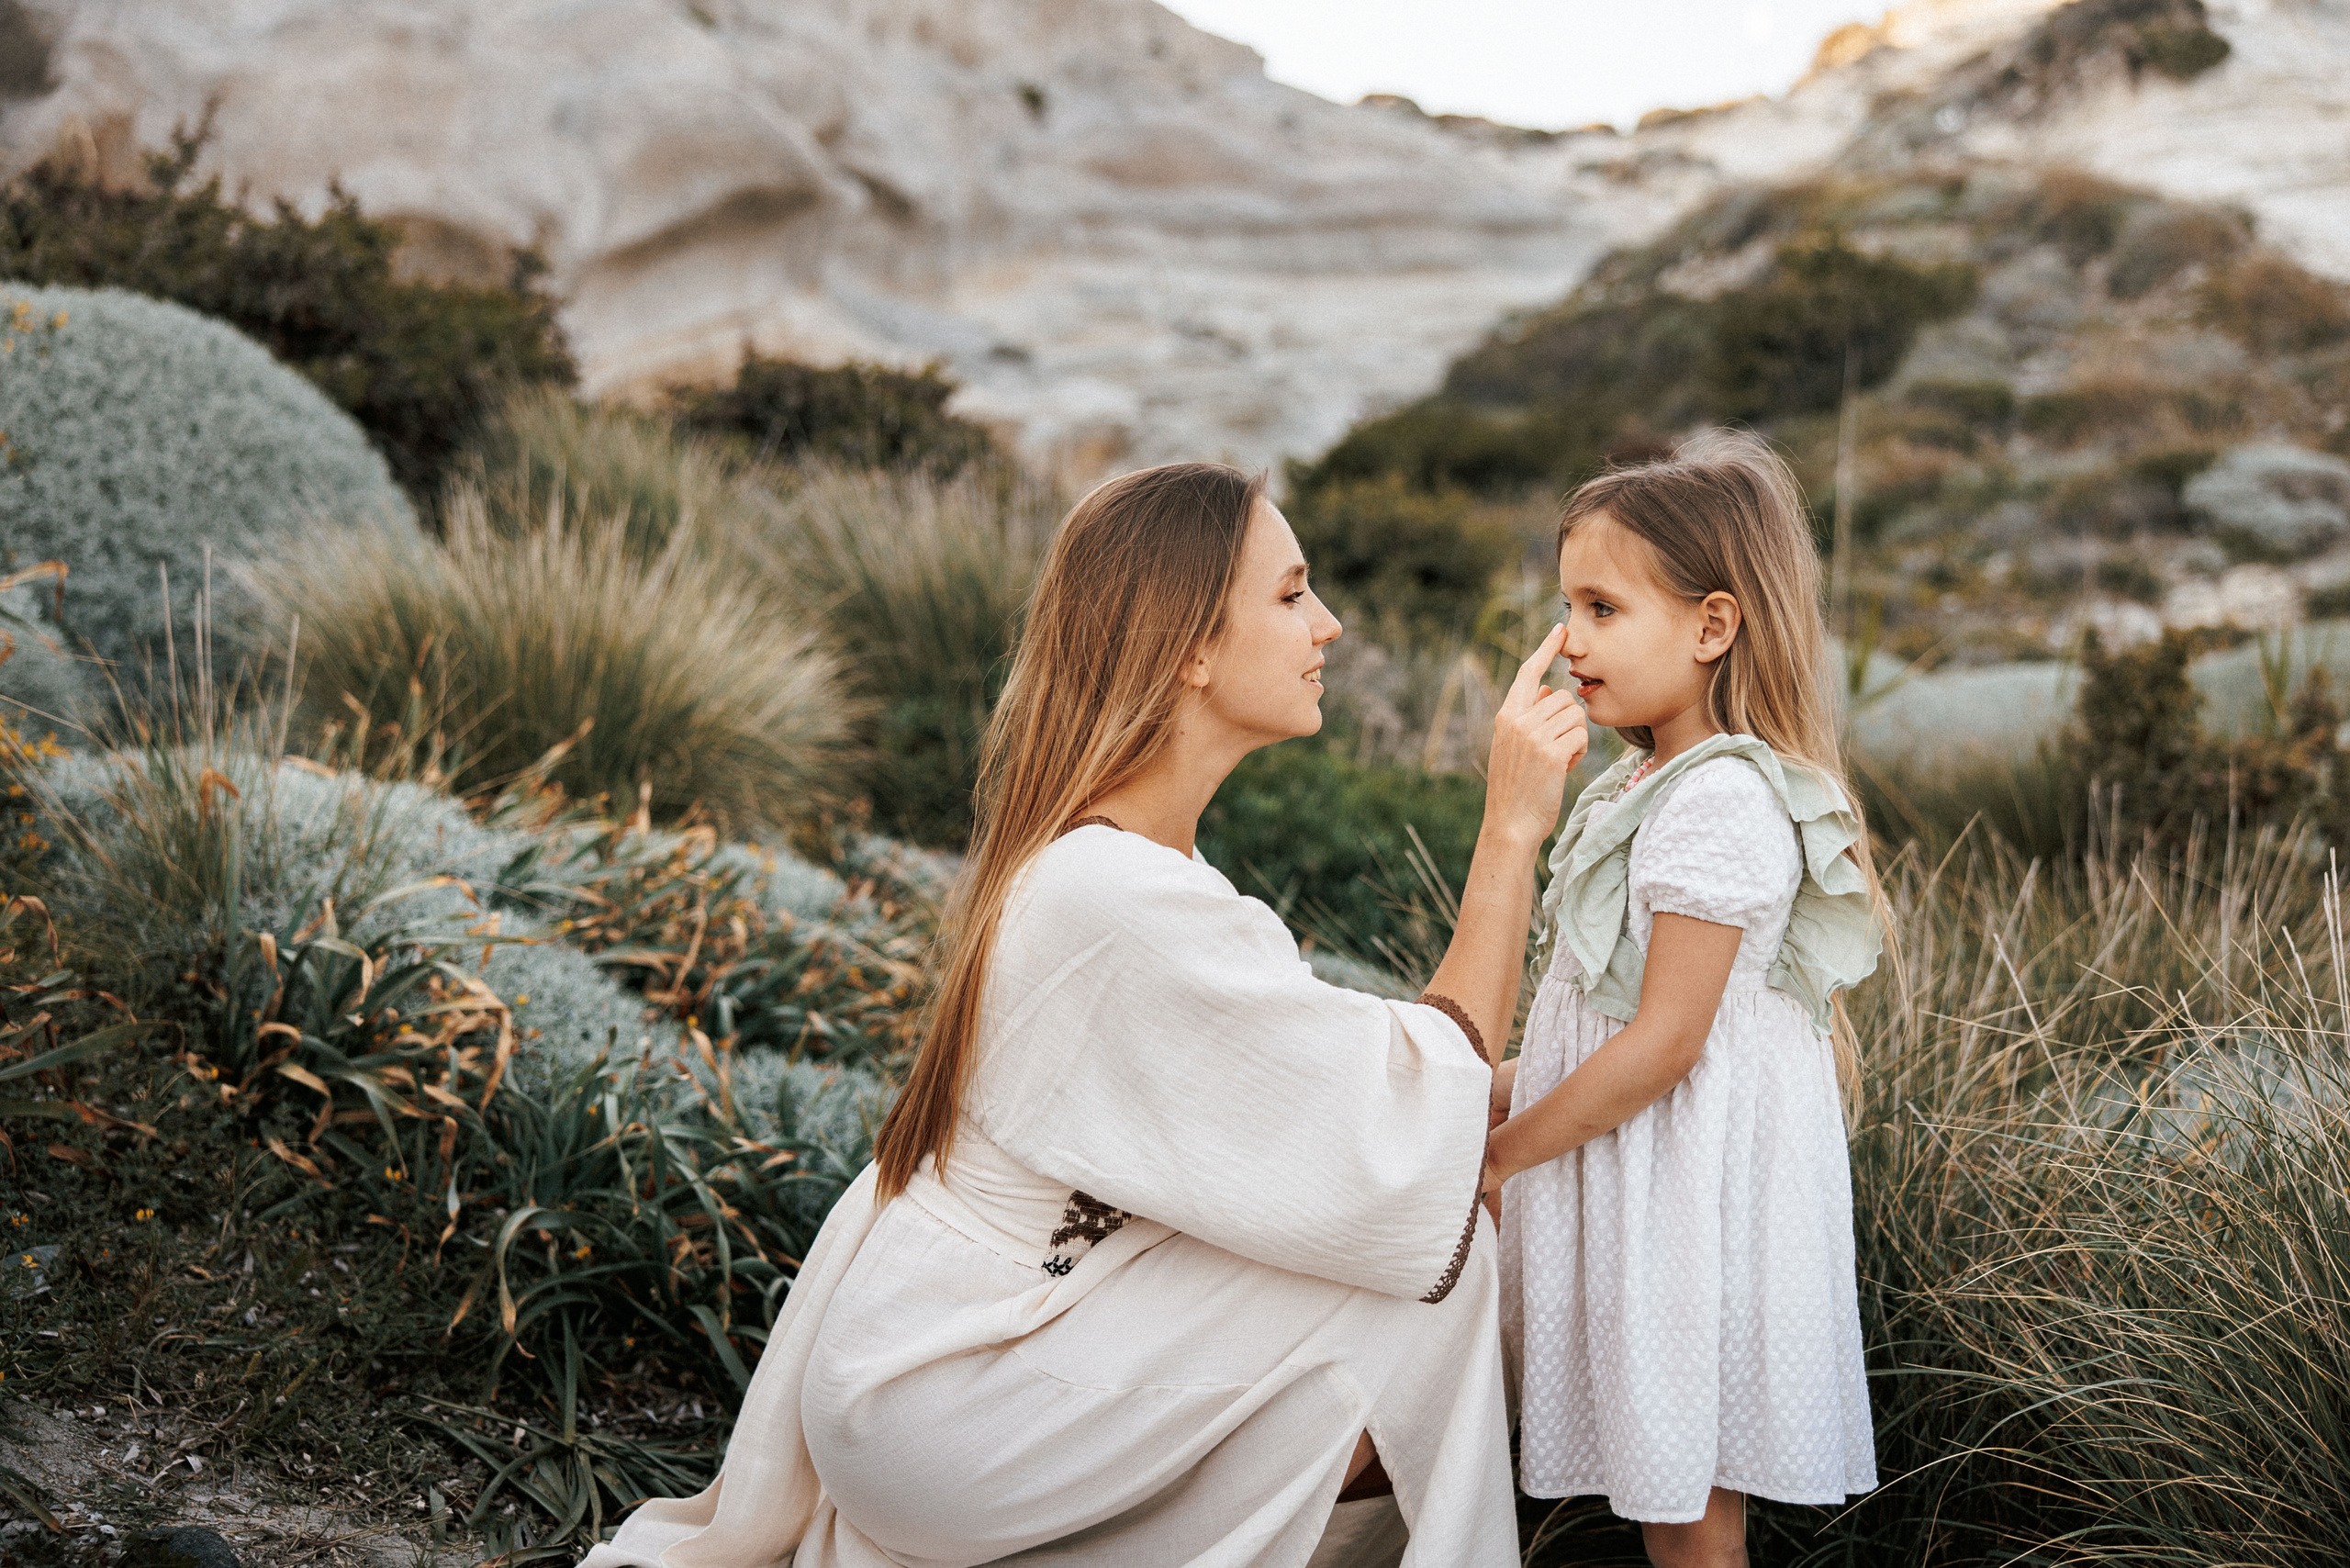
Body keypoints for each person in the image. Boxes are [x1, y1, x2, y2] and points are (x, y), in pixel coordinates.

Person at [580, 462, 1588, 1568]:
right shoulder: (1113, 897)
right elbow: (1398, 1127)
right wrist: (1509, 831)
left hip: (969, 1352)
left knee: (1437, 1237)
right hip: (949, 1396)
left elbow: (1358, 1092)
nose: (1328, 624)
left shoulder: (1128, 869)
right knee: (1438, 1276)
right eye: (1291, 592)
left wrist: (1567, 1082)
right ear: (1190, 648)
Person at [1485, 432, 1886, 1568]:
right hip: (1646, 1172)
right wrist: (1474, 1085)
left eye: (1602, 609)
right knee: (1669, 1500)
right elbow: (1601, 1016)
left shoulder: (1721, 801)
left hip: (1685, 1197)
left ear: (1712, 626)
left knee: (1690, 1511)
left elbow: (1664, 1041)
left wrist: (1500, 1157)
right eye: (1566, 606)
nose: (1568, 640)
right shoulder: (1640, 779)